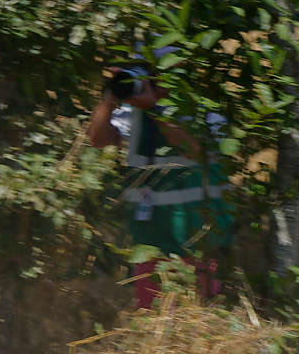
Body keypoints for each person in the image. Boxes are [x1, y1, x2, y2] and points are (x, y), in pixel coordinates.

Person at [84, 60, 233, 309]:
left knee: (198, 320)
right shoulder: (136, 114)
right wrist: (110, 97)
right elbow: (97, 138)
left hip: (198, 242)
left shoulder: (206, 108)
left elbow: (191, 148)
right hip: (152, 244)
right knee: (155, 323)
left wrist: (155, 108)